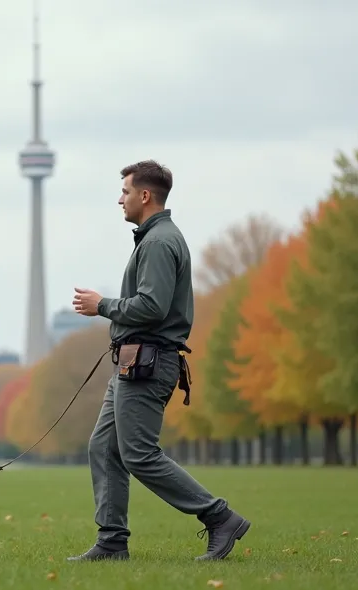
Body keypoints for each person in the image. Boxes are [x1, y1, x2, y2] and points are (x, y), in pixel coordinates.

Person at [67, 159, 250, 562]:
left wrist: (103, 306)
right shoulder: (154, 238)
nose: (120, 199)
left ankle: (220, 517)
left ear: (144, 195)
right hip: (132, 363)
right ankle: (112, 541)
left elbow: (152, 306)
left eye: (125, 192)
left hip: (148, 364)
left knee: (138, 453)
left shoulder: (158, 242)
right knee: (104, 447)